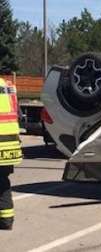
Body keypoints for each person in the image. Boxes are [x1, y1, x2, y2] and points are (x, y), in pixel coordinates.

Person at [0, 78, 22, 230]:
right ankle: (6, 221)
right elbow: (17, 114)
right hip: (10, 145)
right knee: (2, 183)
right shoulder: (7, 86)